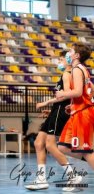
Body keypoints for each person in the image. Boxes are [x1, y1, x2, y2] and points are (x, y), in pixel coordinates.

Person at [25, 51, 72, 190]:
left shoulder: (67, 75)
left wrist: (46, 103)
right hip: (55, 111)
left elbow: (66, 95)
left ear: (69, 60)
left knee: (51, 145)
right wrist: (50, 109)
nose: (59, 62)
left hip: (60, 111)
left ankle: (72, 175)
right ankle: (41, 179)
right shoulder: (64, 75)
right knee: (39, 143)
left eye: (61, 59)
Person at [54, 44, 94, 191]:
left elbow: (77, 92)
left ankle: (76, 176)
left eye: (70, 51)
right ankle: (76, 176)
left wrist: (62, 94)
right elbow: (88, 92)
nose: (68, 54)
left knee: (85, 150)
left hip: (84, 113)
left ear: (76, 55)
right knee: (62, 146)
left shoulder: (77, 70)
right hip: (78, 111)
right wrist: (74, 105)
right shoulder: (83, 69)